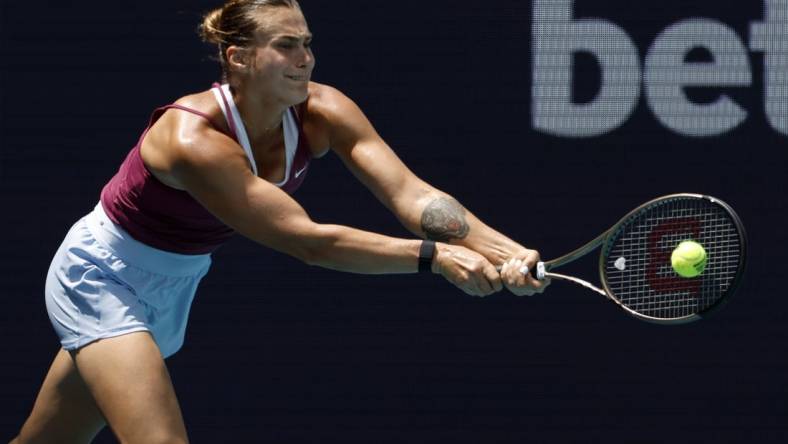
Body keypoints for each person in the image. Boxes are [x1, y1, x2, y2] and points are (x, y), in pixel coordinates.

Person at [10, 1, 549, 442]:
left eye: (308, 42)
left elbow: (414, 196)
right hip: (103, 275)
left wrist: (506, 252)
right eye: (286, 46)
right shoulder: (192, 139)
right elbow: (309, 242)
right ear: (239, 57)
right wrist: (433, 258)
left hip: (176, 283)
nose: (306, 59)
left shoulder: (325, 110)